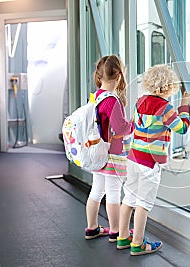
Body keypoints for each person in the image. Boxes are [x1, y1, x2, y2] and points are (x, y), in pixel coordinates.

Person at [117, 64, 190, 255]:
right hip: (149, 163)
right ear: (169, 87)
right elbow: (182, 128)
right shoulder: (165, 107)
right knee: (143, 203)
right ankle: (138, 243)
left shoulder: (140, 101)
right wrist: (184, 105)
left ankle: (123, 237)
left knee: (129, 198)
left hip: (133, 157)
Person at [84, 55, 134, 242]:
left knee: (96, 190)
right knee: (113, 192)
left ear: (99, 76)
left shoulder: (96, 96)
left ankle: (92, 227)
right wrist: (133, 125)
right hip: (112, 153)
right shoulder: (112, 100)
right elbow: (121, 128)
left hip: (97, 151)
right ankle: (115, 231)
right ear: (120, 75)